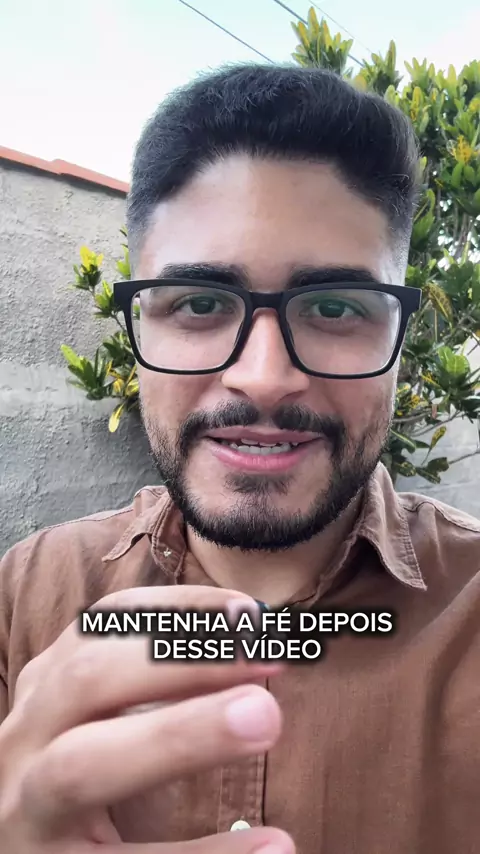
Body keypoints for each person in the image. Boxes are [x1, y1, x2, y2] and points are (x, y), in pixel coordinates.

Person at [0, 63, 479, 854]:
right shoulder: (25, 597)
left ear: (401, 340)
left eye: (335, 307)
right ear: (139, 328)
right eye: (199, 304)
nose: (262, 376)